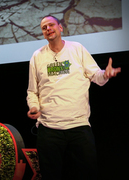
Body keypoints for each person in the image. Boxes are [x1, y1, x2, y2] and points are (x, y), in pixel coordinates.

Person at [26, 15, 121, 180]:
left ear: (60, 27)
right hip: (49, 129)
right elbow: (32, 91)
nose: (48, 29)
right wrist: (34, 107)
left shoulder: (77, 48)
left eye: (51, 25)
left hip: (79, 126)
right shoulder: (37, 56)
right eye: (44, 28)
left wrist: (105, 75)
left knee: (87, 174)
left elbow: (96, 77)